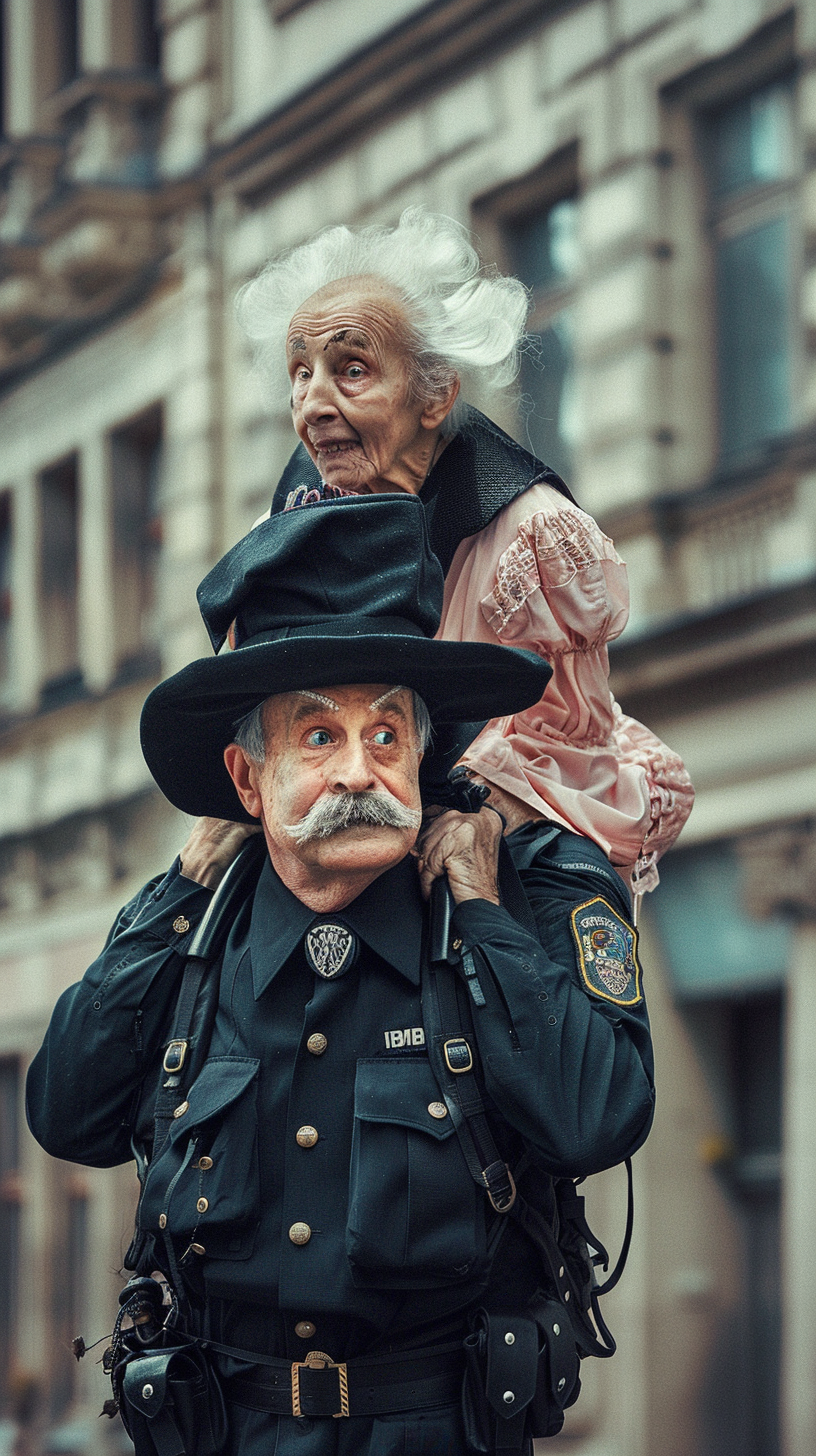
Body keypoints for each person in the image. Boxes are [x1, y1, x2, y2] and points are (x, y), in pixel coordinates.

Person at [26, 496, 654, 1456]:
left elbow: (601, 1117)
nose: (361, 771)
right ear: (248, 780)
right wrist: (183, 883)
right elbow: (65, 1112)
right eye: (319, 738)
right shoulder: (197, 931)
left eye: (389, 735)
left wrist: (484, 909)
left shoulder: (520, 898)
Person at [239, 207, 694, 898]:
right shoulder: (295, 519)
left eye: (351, 369)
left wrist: (484, 813)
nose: (313, 404)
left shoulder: (533, 537)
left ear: (434, 395)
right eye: (301, 374)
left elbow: (572, 741)